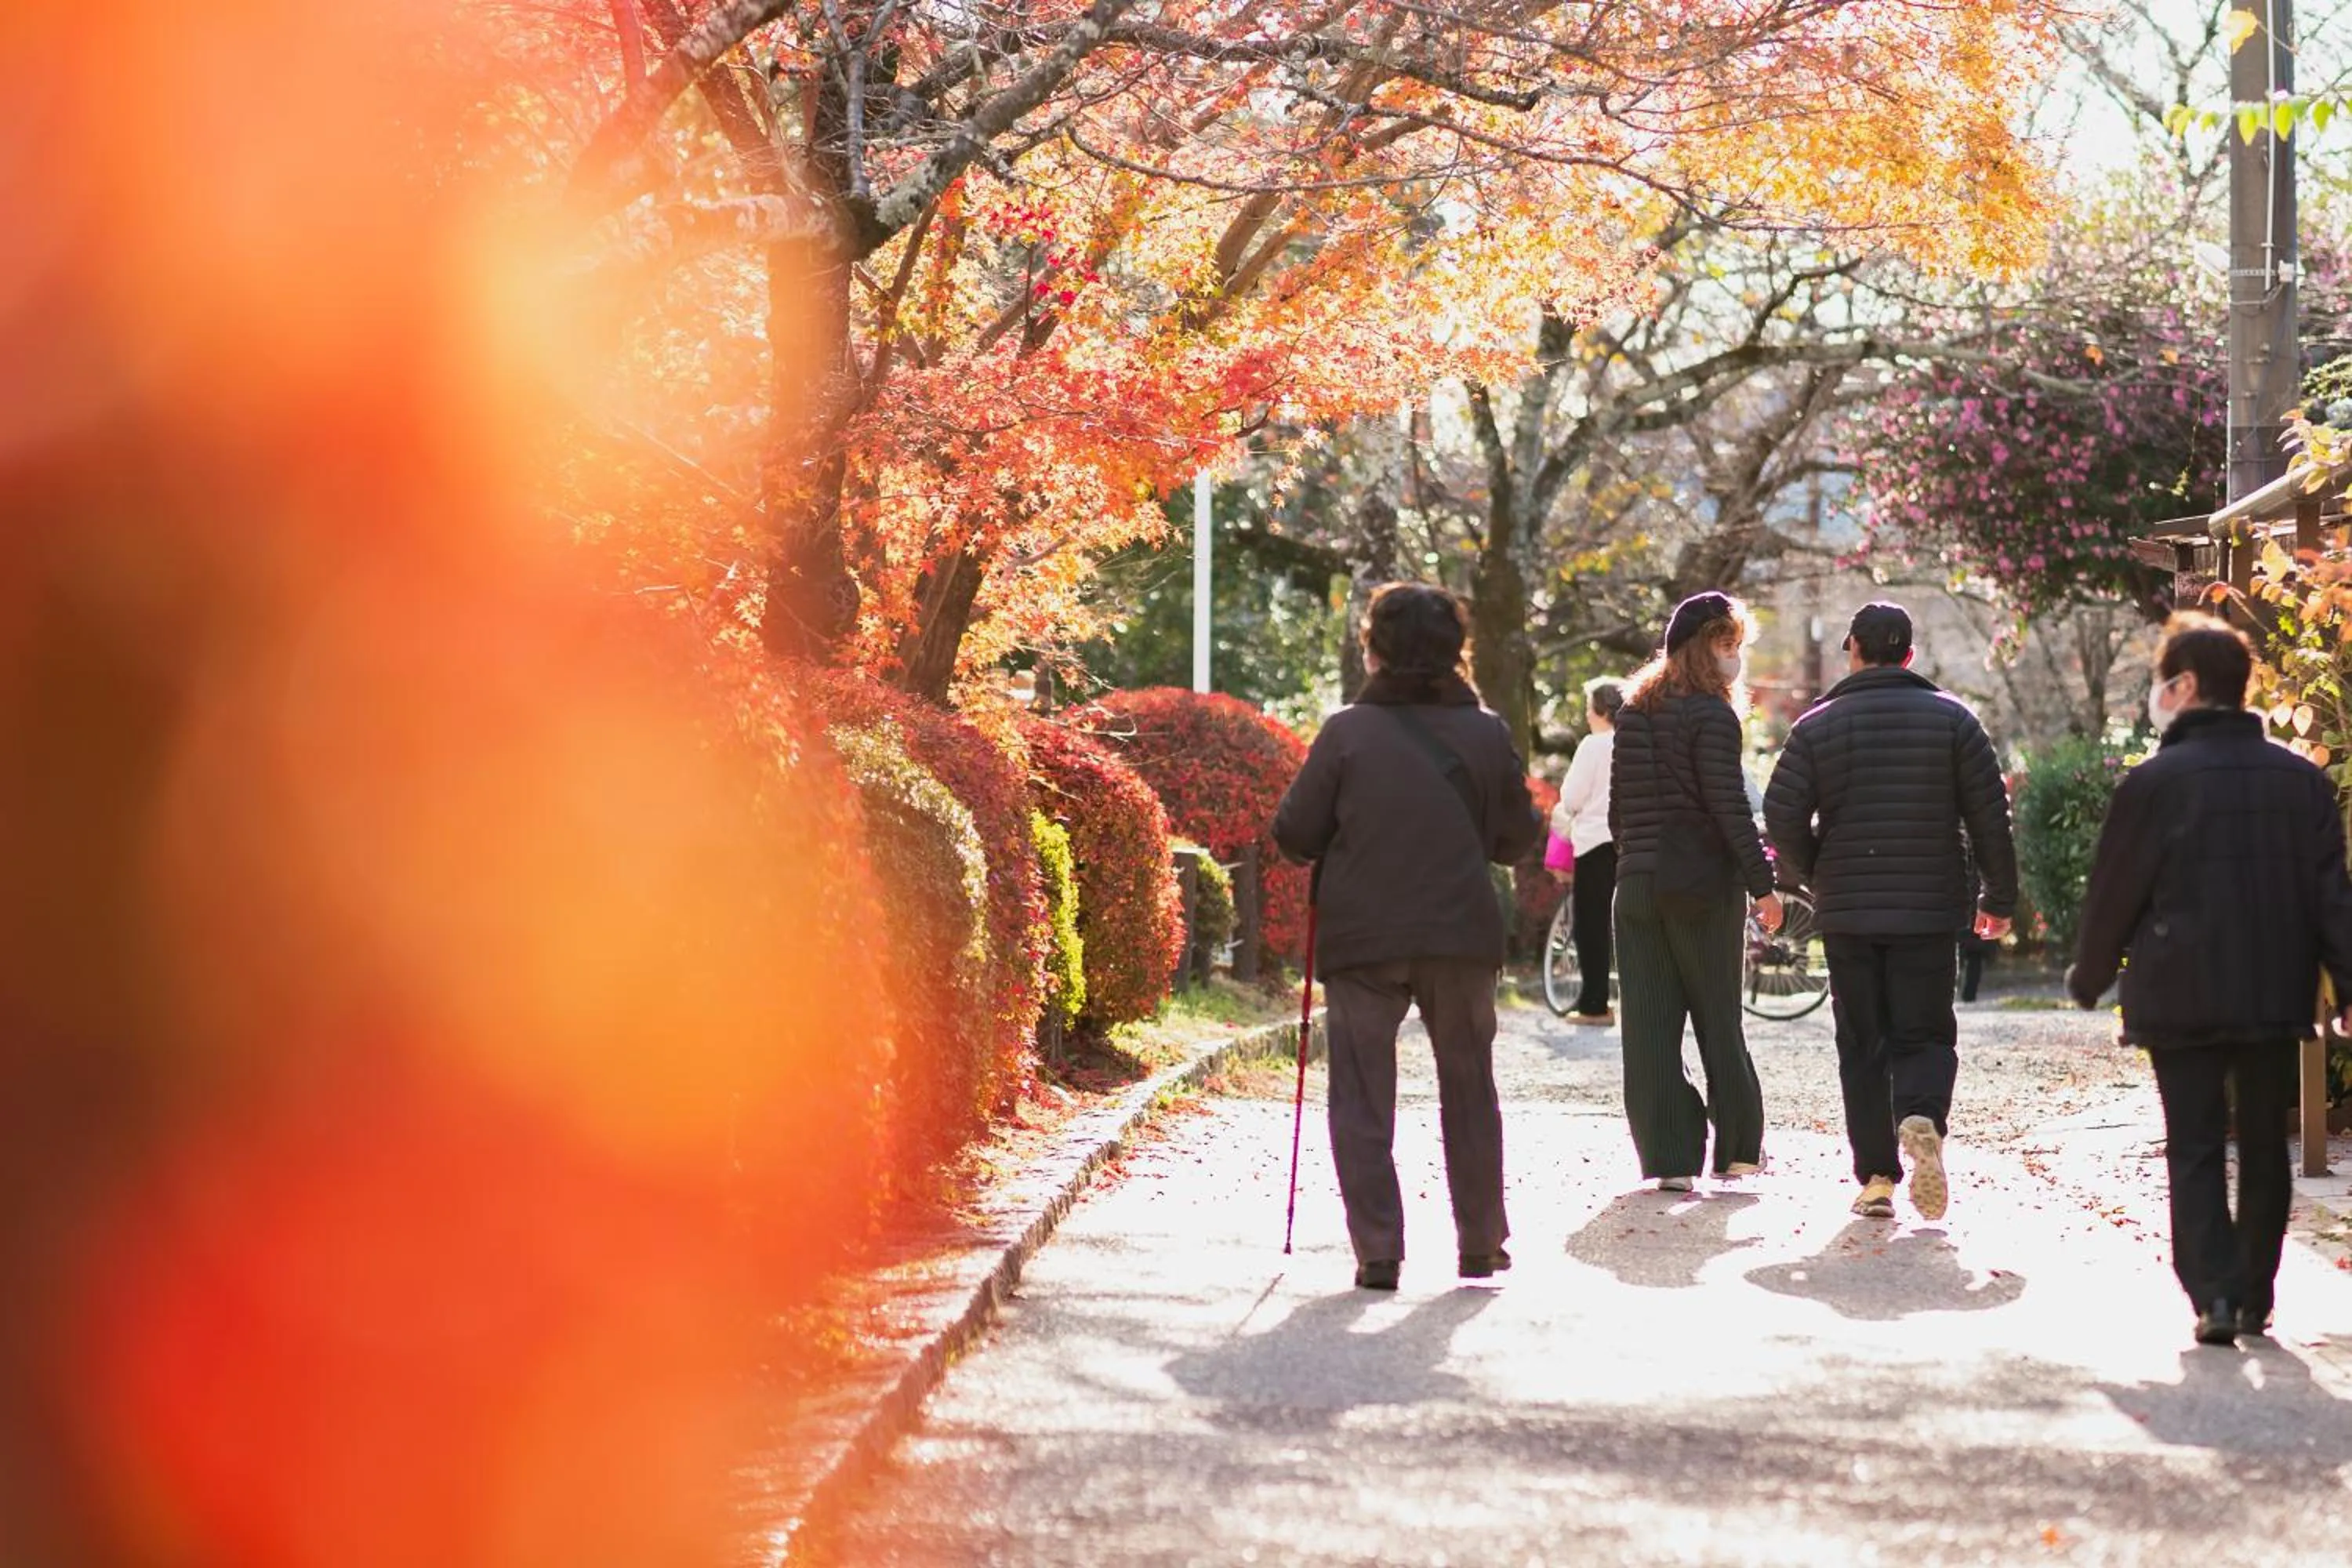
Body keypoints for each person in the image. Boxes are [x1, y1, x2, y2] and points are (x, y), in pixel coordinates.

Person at [2069, 613, 2352, 1347]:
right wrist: (2348, 987)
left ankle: (2213, 1296)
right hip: (2274, 987)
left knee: (2192, 1143)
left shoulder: (2153, 783)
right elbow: (2333, 898)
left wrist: (2090, 974)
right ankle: (2254, 1293)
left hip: (2178, 990)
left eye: (2163, 681)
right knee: (2264, 1142)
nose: (2156, 695)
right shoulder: (2302, 782)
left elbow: (2115, 893)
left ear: (2186, 685)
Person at [1272, 583, 1543, 1290]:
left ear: (1375, 648)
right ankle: (1481, 1243)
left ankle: (1380, 1250)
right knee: (1469, 1084)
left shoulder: (1346, 732)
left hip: (1364, 934)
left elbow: (1295, 834)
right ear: (1459, 652)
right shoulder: (1486, 732)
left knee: (1361, 1091)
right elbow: (1518, 837)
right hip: (1459, 930)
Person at [1762, 602, 2016, 1222]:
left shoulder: (1816, 726)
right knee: (1924, 1030)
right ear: (1909, 654)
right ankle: (1922, 1113)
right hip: (1928, 907)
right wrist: (1999, 898)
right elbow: (1990, 817)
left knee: (1862, 1041)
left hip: (1847, 908)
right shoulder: (1955, 721)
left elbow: (1781, 813)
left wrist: (1813, 872)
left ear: (1852, 648)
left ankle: (1877, 1176)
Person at [1608, 592, 1781, 1192]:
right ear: (1701, 646)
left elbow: (1617, 813)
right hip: (1703, 887)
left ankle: (1670, 1158)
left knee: (1650, 1027)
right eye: (1728, 645)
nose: (1736, 659)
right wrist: (1764, 887)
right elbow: (1729, 808)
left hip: (1637, 887)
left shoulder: (1632, 710)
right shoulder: (1713, 714)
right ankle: (1737, 1149)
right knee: (1717, 1018)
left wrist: (1636, 860)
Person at [1551, 678, 1625, 1024]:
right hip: (1631, 843)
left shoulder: (1593, 746)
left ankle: (1595, 1004)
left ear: (1598, 710)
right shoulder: (1637, 743)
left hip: (1595, 842)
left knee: (1592, 925)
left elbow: (1571, 798)